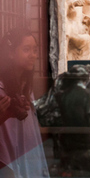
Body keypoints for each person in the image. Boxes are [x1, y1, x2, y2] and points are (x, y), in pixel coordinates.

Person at [0, 28, 50, 177]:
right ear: (10, 53)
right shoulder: (1, 88)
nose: (33, 55)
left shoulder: (26, 86)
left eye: (35, 50)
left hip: (26, 152)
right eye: (26, 50)